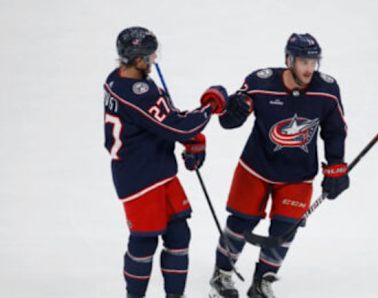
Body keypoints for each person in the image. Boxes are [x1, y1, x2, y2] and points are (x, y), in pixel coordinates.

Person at [208, 33, 350, 298]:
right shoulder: (260, 82)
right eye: (303, 61)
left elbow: (334, 130)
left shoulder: (327, 90)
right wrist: (233, 111)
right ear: (288, 60)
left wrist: (336, 166)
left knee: (285, 230)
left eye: (313, 62)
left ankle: (262, 281)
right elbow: (230, 121)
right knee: (240, 222)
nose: (309, 68)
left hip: (298, 175)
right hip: (256, 168)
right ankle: (222, 274)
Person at [103, 26, 228, 298]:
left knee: (179, 234)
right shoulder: (137, 91)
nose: (154, 59)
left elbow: (163, 119)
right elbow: (175, 126)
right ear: (137, 59)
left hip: (158, 170)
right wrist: (210, 107)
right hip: (140, 179)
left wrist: (191, 138)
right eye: (149, 55)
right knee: (144, 241)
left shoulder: (118, 80)